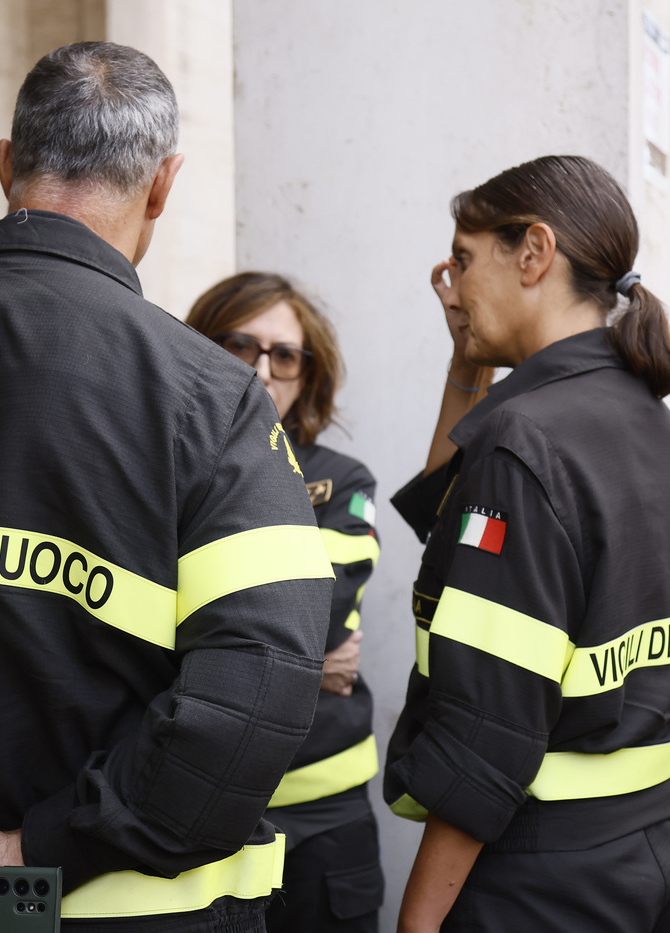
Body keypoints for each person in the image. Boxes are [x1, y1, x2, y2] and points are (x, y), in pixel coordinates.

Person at [0, 42, 335, 932]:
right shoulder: (212, 397)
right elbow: (261, 685)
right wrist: (33, 847)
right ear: (163, 185)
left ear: (6, 164)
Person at [385, 155, 670, 933]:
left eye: (463, 259)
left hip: (541, 878)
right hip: (651, 849)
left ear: (534, 251)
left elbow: (487, 729)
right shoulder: (647, 414)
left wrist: (417, 923)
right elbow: (455, 531)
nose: (453, 288)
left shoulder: (526, 437)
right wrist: (470, 362)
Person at [186, 272, 385, 933]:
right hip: (195, 808)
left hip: (325, 818)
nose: (262, 369)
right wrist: (306, 665)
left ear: (308, 375)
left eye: (284, 354)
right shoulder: (164, 470)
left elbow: (309, 612)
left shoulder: (344, 482)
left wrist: (204, 643)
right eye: (239, 344)